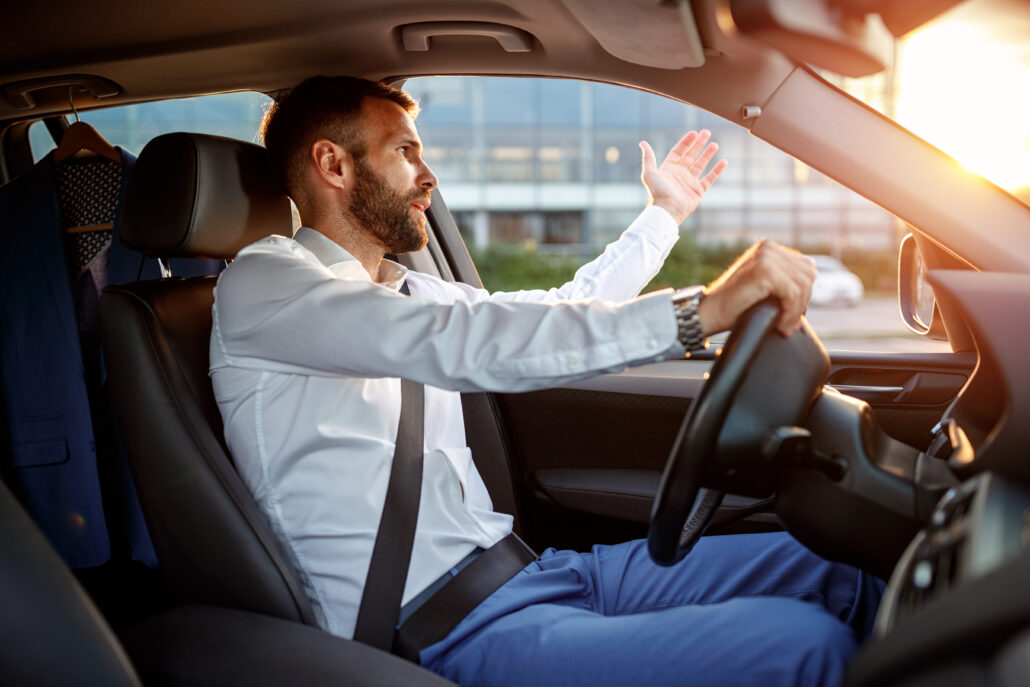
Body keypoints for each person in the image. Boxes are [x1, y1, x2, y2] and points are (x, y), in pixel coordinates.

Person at [209, 76, 883, 687]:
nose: (428, 176)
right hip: (439, 630)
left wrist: (663, 217)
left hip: (532, 574)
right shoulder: (266, 284)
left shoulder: (403, 288)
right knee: (804, 647)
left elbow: (555, 312)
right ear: (333, 164)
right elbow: (471, 343)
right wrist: (701, 311)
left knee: (839, 566)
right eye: (406, 153)